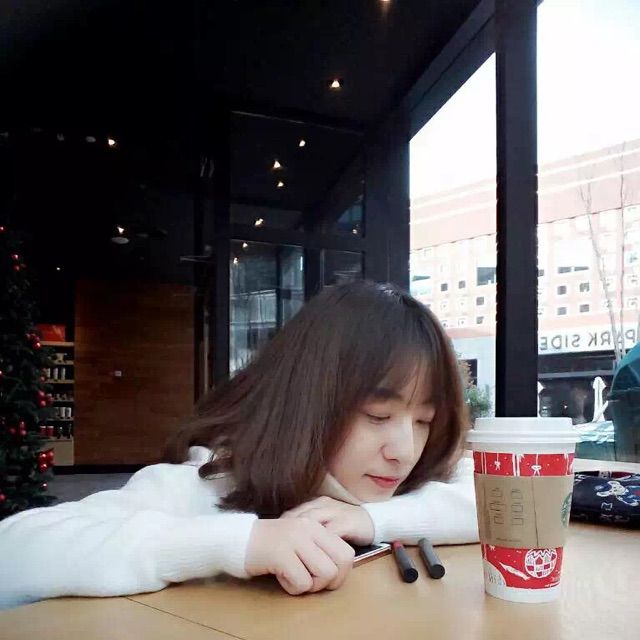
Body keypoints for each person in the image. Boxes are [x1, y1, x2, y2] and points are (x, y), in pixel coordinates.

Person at [0, 281, 478, 610]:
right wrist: (241, 542)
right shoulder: (211, 483)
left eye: (424, 421)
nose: (405, 450)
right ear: (307, 401)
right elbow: (14, 553)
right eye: (377, 416)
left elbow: (496, 498)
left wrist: (369, 519)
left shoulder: (407, 481)